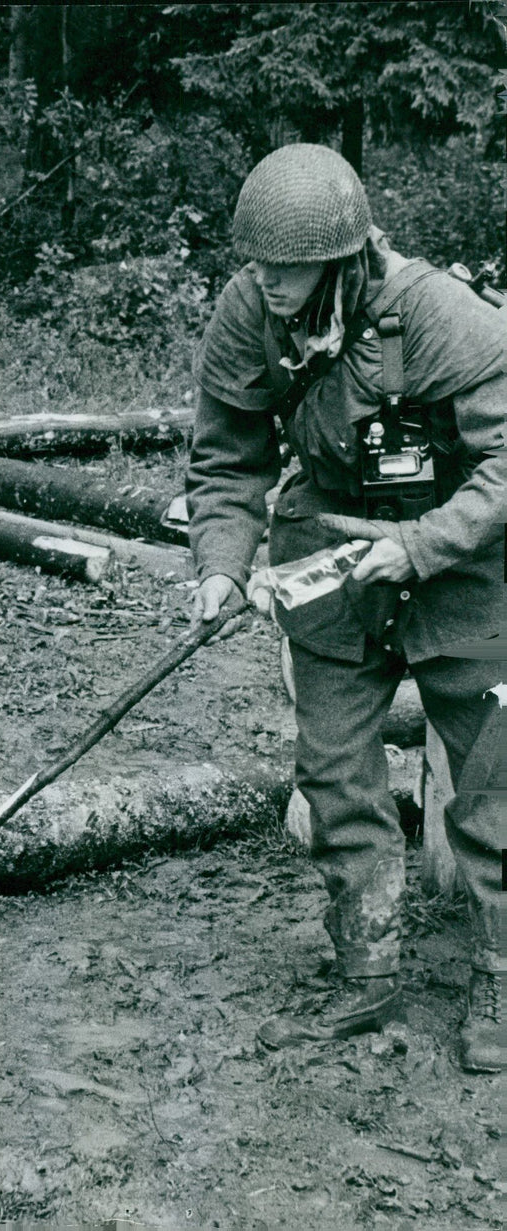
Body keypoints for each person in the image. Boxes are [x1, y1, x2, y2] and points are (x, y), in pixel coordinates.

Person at [187, 143, 505, 1072]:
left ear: (341, 254)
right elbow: (228, 454)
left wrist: (418, 544)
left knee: (492, 776)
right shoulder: (250, 315)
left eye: (285, 266)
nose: (266, 281)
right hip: (328, 561)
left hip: (461, 562)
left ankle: (501, 971)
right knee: (333, 772)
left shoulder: (437, 312)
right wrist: (219, 564)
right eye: (255, 262)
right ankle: (365, 967)